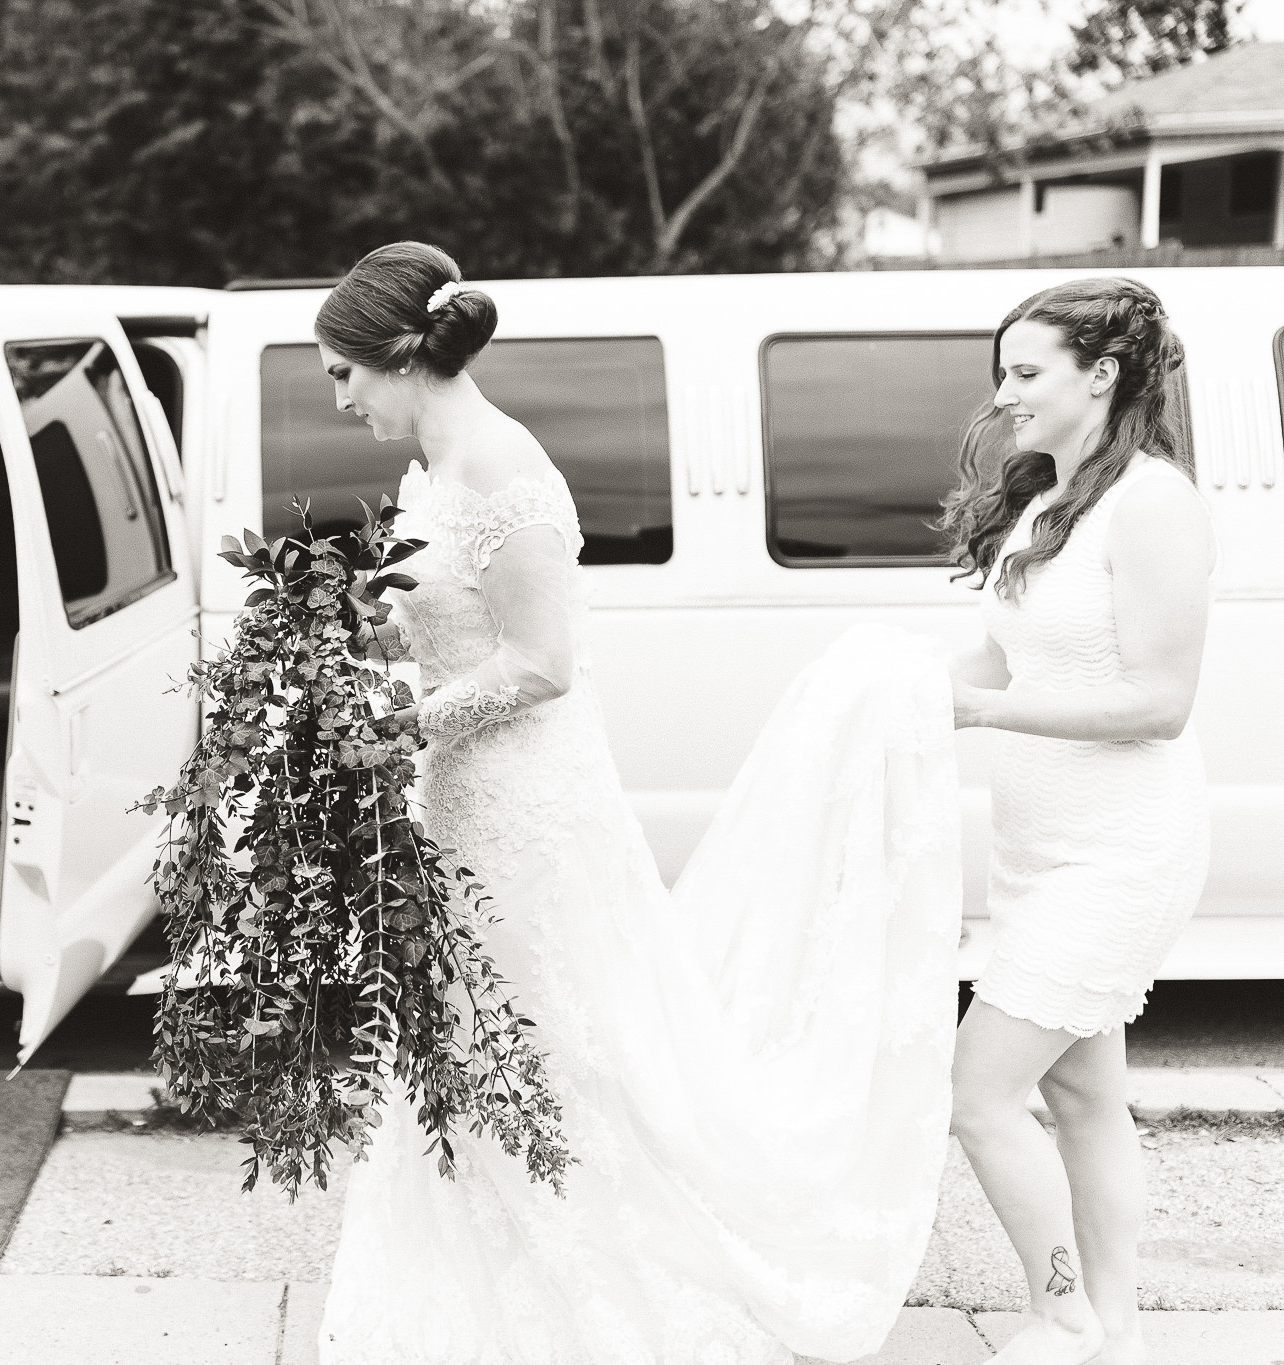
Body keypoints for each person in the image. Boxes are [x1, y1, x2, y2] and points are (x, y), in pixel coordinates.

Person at [312, 242, 964, 1364]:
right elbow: (447, 623)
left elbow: (540, 662)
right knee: (467, 1040)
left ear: (400, 356)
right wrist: (353, 646)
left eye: (342, 374)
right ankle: (480, 1286)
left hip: (526, 807)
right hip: (459, 796)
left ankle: (596, 1295)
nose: (338, 400)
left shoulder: (501, 473)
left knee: (556, 1043)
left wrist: (397, 726)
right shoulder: (429, 471)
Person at [942, 279, 1210, 1365]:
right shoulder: (1048, 503)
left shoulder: (1150, 502)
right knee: (1085, 1094)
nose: (1003, 396)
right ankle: (1116, 1325)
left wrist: (979, 711)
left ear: (1099, 376)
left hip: (1118, 851)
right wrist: (884, 698)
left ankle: (1057, 1313)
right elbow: (999, 660)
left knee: (977, 1095)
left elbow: (1158, 704)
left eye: (1024, 372)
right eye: (1000, 374)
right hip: (1033, 854)